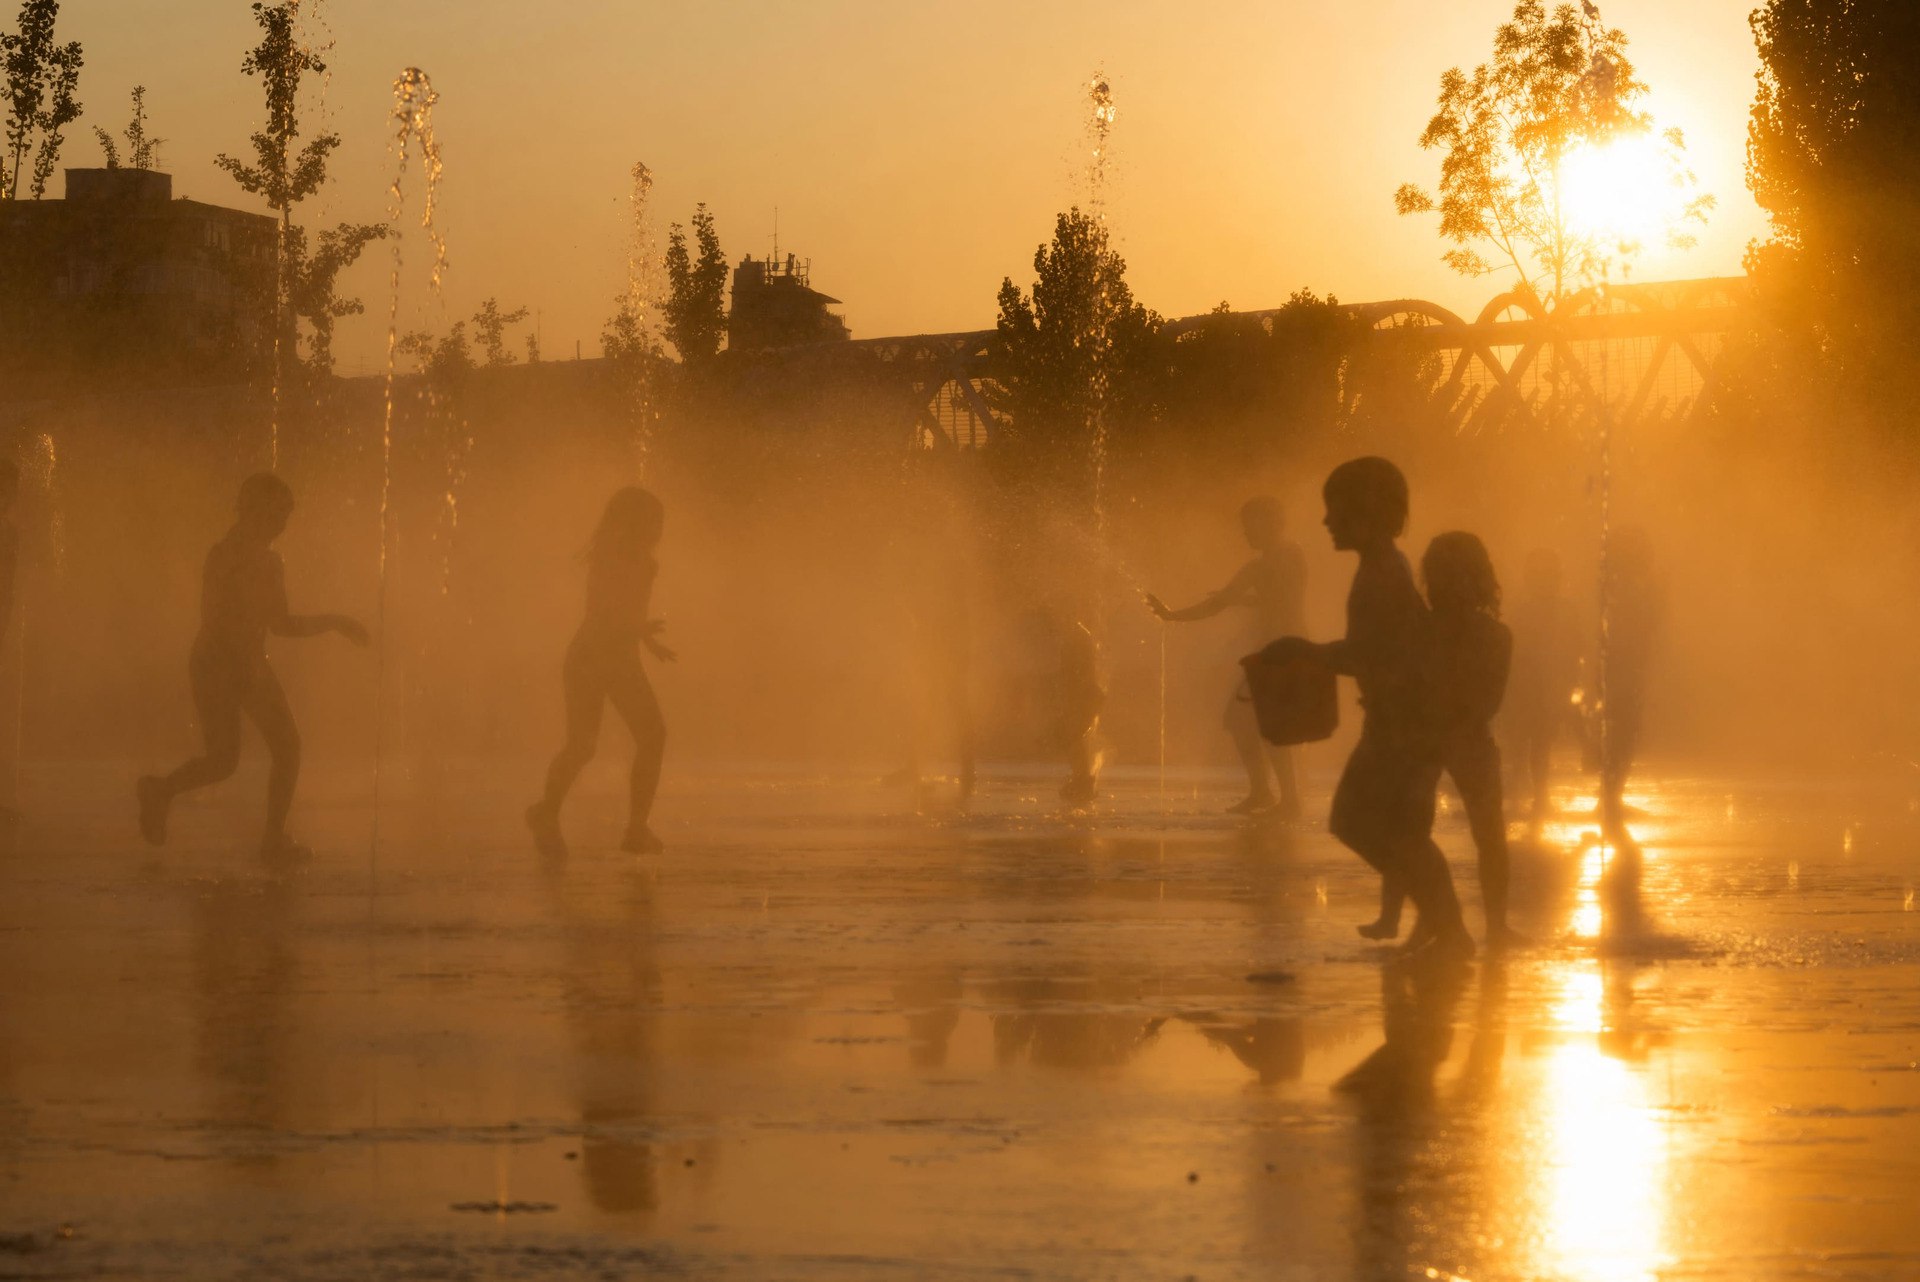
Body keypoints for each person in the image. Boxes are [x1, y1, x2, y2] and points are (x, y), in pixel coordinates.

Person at [1290, 457, 1470, 959]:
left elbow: (1373, 653)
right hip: (1401, 721)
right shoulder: (1383, 567)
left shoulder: (1383, 574)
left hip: (1403, 726)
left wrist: (1308, 653)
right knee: (1397, 830)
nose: (1327, 521)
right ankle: (1444, 926)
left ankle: (1448, 926)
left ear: (1365, 513)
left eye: (1335, 511)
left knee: (1362, 823)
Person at [137, 473, 369, 859]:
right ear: (255, 510)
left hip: (223, 661)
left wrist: (335, 623)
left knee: (243, 756)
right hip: (227, 662)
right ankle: (266, 838)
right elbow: (232, 618)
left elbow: (278, 624)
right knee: (260, 753)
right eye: (279, 512)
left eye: (287, 514)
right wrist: (334, 623)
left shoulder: (243, 555)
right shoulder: (244, 558)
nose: (284, 522)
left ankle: (163, 792)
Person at [1364, 532, 1519, 947]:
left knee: (1411, 833)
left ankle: (1402, 918)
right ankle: (1495, 925)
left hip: (1425, 739)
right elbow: (1490, 702)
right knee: (1487, 836)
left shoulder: (1418, 630)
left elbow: (1398, 686)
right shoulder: (1495, 635)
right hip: (1468, 740)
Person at [527, 486, 674, 856]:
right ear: (634, 521)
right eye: (653, 521)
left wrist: (647, 639)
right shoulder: (609, 558)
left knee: (645, 737)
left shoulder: (645, 563)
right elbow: (601, 611)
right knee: (586, 745)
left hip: (617, 657)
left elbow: (630, 612)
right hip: (593, 656)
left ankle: (632, 829)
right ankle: (552, 814)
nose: (658, 529)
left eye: (660, 521)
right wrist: (640, 631)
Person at [1146, 496, 1307, 817]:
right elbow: (1280, 599)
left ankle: (1287, 800)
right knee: (1243, 721)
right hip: (1284, 648)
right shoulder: (1291, 555)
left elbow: (1216, 605)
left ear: (1271, 522)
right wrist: (1244, 601)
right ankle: (1265, 792)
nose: (1245, 532)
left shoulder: (1265, 564)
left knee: (1260, 723)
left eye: (1250, 525)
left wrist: (1172, 615)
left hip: (1280, 651)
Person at [1599, 527, 1663, 847]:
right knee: (1622, 732)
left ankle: (1611, 795)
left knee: (1623, 733)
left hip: (1626, 668)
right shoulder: (1623, 588)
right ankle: (1610, 797)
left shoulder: (1623, 587)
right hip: (1621, 669)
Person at [1506, 548, 1579, 823]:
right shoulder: (1524, 611)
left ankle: (1535, 796)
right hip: (1528, 688)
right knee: (1528, 745)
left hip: (1542, 688)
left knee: (1536, 745)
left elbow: (1575, 650)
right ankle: (1529, 796)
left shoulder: (1556, 612)